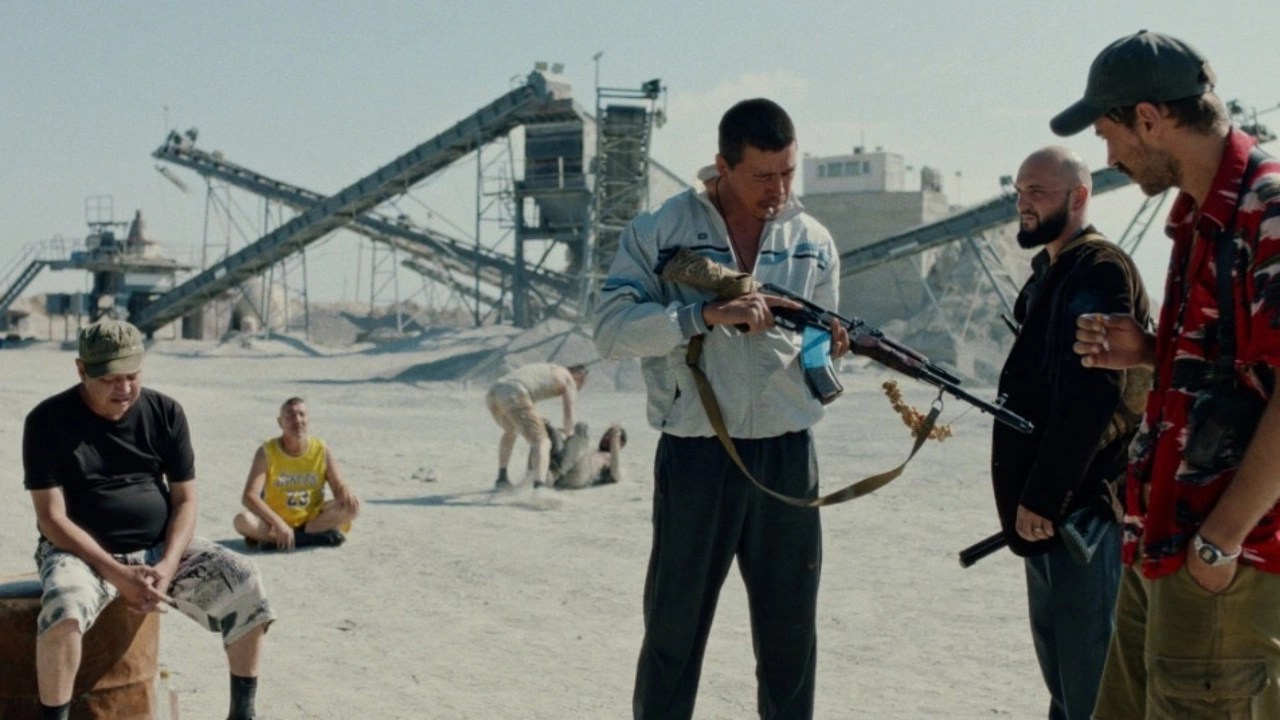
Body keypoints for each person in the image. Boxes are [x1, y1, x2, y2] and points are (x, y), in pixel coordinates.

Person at [593, 98, 850, 720]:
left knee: (791, 640)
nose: (778, 190)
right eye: (762, 176)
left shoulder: (813, 242)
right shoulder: (660, 230)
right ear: (722, 165)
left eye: (788, 172)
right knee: (673, 633)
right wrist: (702, 314)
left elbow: (815, 353)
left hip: (788, 454)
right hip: (696, 454)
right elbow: (610, 330)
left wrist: (830, 343)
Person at [1058, 30, 1280, 717]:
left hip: (1222, 562)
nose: (1110, 158)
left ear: (1150, 119)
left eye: (1109, 135)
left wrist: (1219, 543)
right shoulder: (1199, 214)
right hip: (1160, 542)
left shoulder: (1266, 211)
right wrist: (1152, 350)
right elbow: (1243, 368)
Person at [22, 318, 274, 720]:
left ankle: (243, 713)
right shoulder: (47, 421)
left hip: (160, 550)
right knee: (65, 607)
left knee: (244, 580)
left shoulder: (166, 413)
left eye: (132, 376)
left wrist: (167, 566)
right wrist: (118, 573)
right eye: (110, 379)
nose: (123, 389)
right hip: (80, 554)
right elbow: (51, 518)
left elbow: (186, 500)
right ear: (82, 370)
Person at [991, 146, 1152, 720]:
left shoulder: (1098, 270)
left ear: (1079, 196)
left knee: (1092, 689)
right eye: (1019, 191)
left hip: (1079, 511)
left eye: (1037, 192)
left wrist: (1045, 495)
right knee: (1064, 680)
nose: (1023, 203)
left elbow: (1094, 393)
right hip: (1050, 511)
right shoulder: (1053, 272)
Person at [232, 397, 361, 550]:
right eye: (290, 416)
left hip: (312, 522)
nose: (297, 420)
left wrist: (345, 491)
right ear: (280, 422)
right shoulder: (266, 452)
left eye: (302, 414)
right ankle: (303, 539)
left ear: (308, 419)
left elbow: (339, 486)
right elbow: (249, 496)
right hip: (275, 523)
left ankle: (282, 540)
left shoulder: (321, 449)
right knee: (242, 520)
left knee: (352, 507)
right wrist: (278, 522)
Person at [485, 362, 588, 489]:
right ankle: (539, 487)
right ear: (579, 376)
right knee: (542, 442)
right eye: (583, 382)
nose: (581, 386)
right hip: (515, 393)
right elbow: (569, 412)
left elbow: (527, 400)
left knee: (511, 431)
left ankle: (502, 478)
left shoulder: (550, 368)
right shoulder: (568, 378)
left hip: (493, 393)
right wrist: (569, 433)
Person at [549, 422, 627, 489]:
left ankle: (555, 472)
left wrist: (615, 443)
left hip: (577, 476)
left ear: (621, 445)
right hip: (566, 465)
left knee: (582, 428)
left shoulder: (610, 459)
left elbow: (616, 476)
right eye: (606, 434)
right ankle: (551, 471)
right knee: (552, 430)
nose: (606, 438)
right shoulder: (592, 449)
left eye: (611, 437)